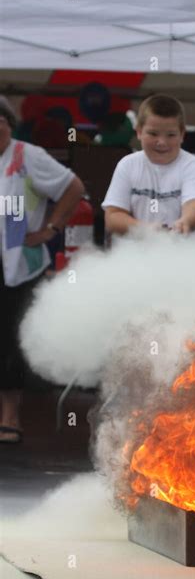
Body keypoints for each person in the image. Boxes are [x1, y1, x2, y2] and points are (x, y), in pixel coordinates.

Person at [0, 96, 84, 443]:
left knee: (8, 342)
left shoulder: (26, 156)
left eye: (0, 120)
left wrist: (50, 229)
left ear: (9, 123)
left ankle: (10, 416)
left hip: (18, 262)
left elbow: (74, 187)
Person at [102, 94, 195, 236]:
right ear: (138, 132)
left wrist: (184, 223)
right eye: (153, 133)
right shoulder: (127, 165)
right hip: (138, 256)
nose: (162, 142)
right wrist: (144, 229)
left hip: (189, 255)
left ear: (182, 134)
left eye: (171, 135)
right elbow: (113, 216)